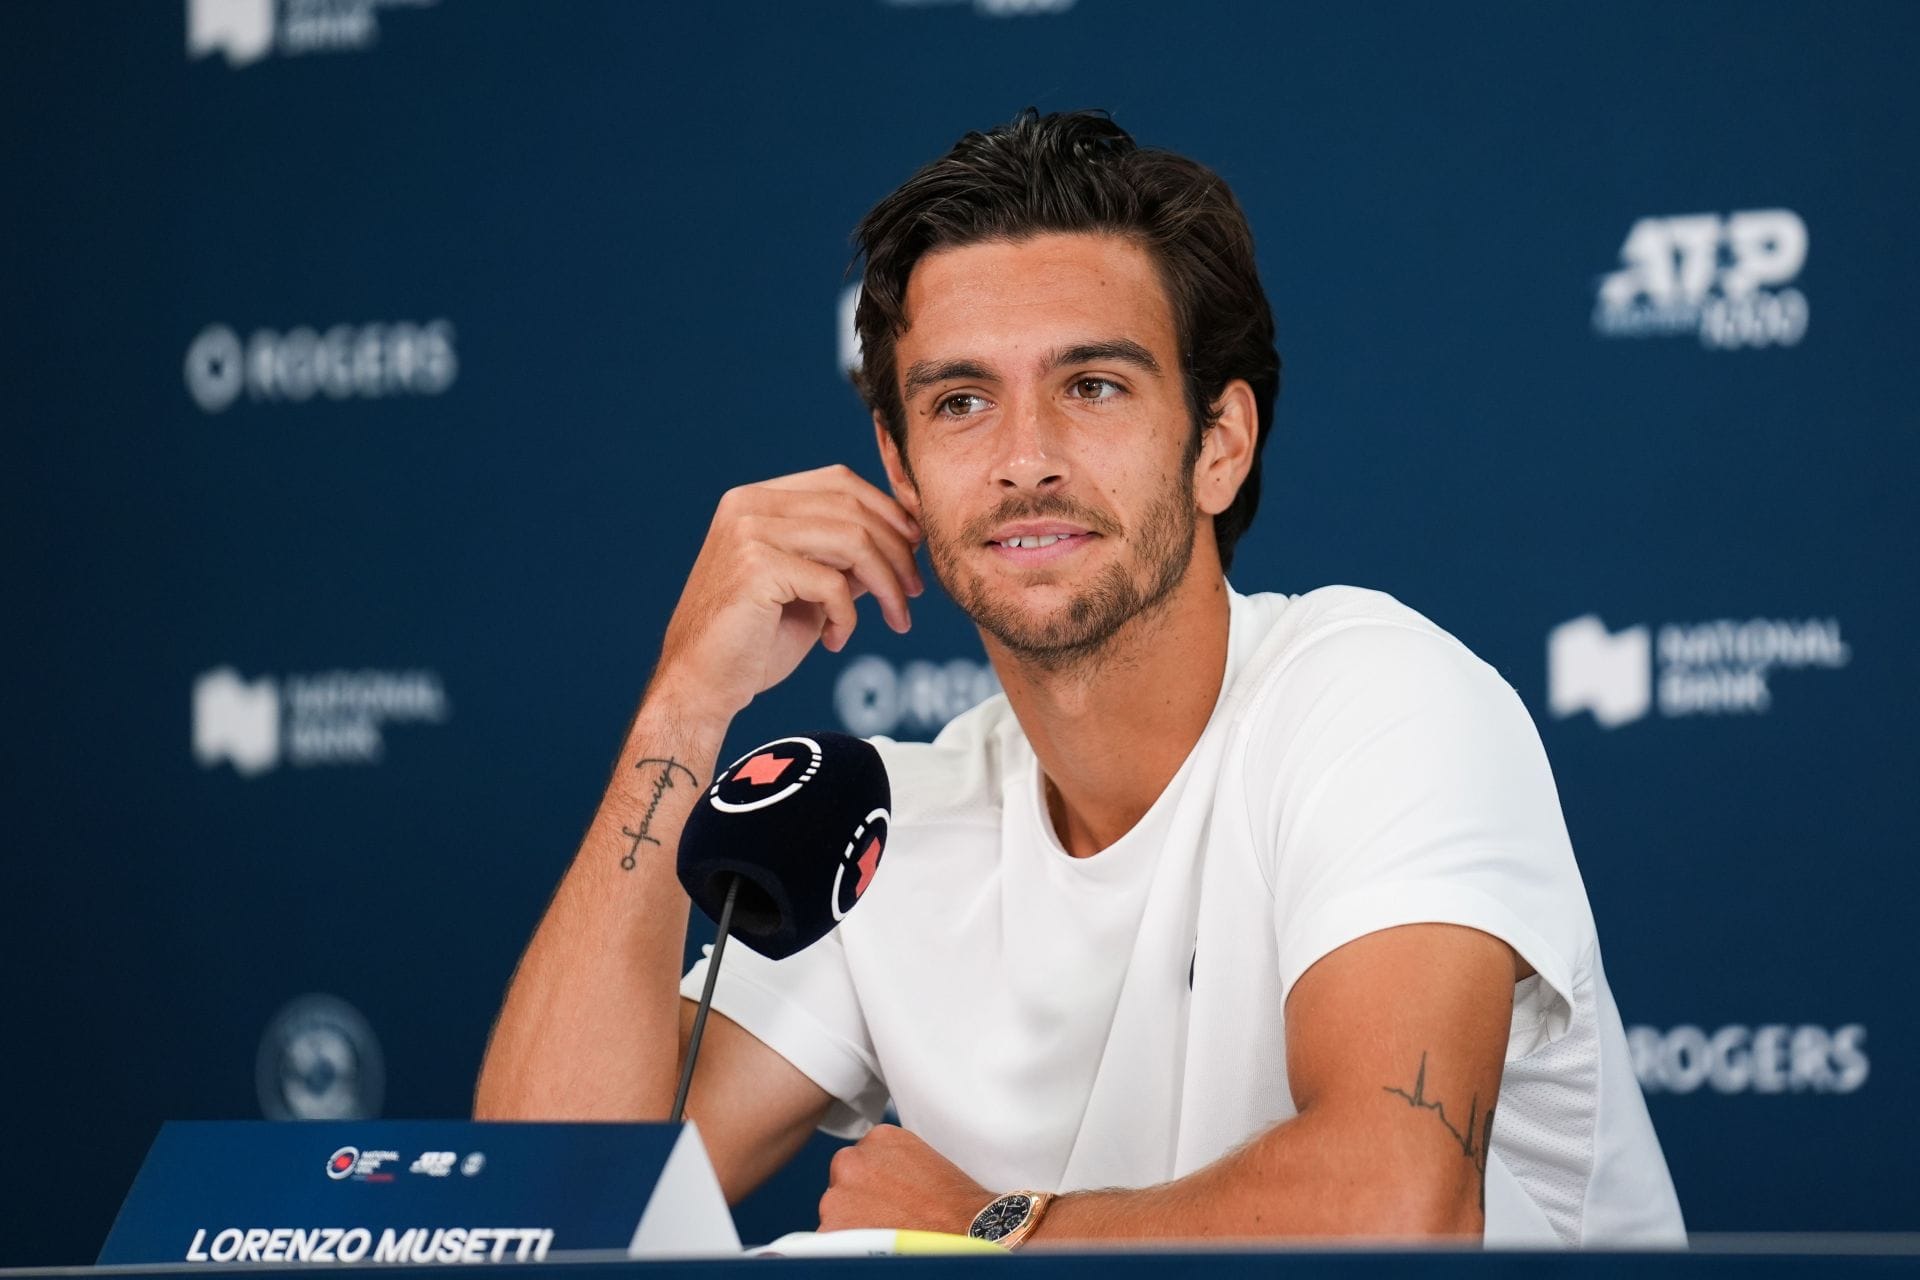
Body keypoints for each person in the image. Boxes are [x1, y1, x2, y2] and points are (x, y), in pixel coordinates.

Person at [474, 109, 1684, 1248]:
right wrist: (685, 699)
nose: (1024, 459)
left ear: (1219, 442)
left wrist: (998, 1227)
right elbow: (550, 1210)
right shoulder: (892, 825)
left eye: (1093, 386)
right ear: (899, 463)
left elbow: (1396, 1199)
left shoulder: (1380, 704)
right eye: (960, 402)